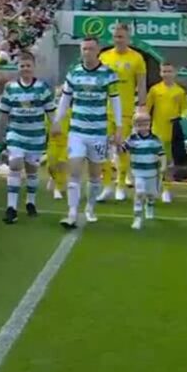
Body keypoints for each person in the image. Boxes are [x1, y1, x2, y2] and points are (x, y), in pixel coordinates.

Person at [52, 37, 121, 228]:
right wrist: (57, 121)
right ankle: (72, 212)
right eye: (84, 49)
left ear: (98, 50)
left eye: (90, 49)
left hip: (98, 132)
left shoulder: (108, 74)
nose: (87, 52)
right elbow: (65, 100)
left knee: (94, 175)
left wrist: (119, 126)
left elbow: (115, 101)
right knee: (74, 170)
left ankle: (90, 207)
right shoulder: (73, 73)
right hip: (77, 131)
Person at [0, 50, 55, 224]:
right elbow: (4, 114)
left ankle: (30, 202)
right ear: (18, 68)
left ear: (33, 67)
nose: (25, 69)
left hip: (36, 135)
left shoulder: (42, 88)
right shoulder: (11, 88)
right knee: (15, 165)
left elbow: (50, 111)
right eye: (22, 66)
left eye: (28, 66)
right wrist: (1, 134)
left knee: (31, 170)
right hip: (16, 133)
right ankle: (11, 208)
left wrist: (55, 127)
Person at [98, 23, 148, 202]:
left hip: (125, 110)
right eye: (116, 37)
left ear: (128, 39)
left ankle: (120, 185)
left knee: (121, 148)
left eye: (121, 37)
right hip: (104, 110)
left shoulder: (137, 58)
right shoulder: (104, 56)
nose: (118, 40)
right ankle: (106, 186)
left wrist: (142, 106)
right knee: (101, 149)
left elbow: (141, 84)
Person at [144, 61, 187, 204]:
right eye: (164, 71)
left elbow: (184, 109)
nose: (166, 74)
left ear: (174, 73)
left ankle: (167, 189)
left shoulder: (180, 91)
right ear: (160, 73)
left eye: (169, 71)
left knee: (168, 162)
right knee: (154, 160)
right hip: (157, 130)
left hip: (172, 131)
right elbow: (147, 108)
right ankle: (154, 187)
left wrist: (182, 117)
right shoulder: (155, 90)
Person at [124, 112, 165, 230]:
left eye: (145, 124)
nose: (143, 127)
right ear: (135, 126)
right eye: (139, 125)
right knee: (139, 192)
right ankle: (137, 217)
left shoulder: (155, 139)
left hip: (152, 172)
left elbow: (161, 153)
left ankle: (150, 204)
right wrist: (116, 145)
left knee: (151, 194)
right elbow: (123, 148)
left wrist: (162, 165)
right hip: (138, 172)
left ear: (150, 124)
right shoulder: (132, 139)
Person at [46, 93, 71, 200]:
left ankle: (58, 188)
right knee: (51, 165)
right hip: (53, 143)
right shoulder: (50, 114)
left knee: (62, 164)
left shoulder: (71, 113)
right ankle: (53, 178)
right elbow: (47, 129)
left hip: (66, 143)